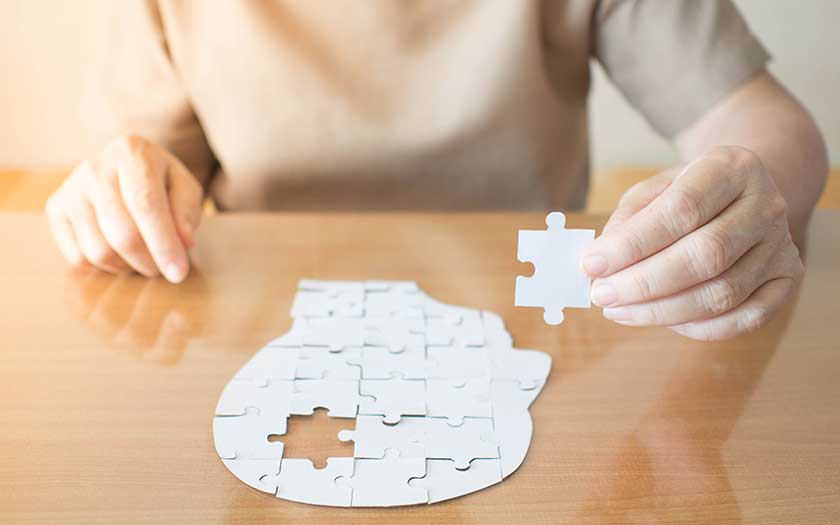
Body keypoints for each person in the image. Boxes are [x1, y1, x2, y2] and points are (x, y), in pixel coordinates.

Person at [45, 1, 827, 341]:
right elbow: (142, 172)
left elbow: (762, 121)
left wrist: (753, 185)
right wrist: (116, 194)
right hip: (258, 332)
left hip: (533, 338)